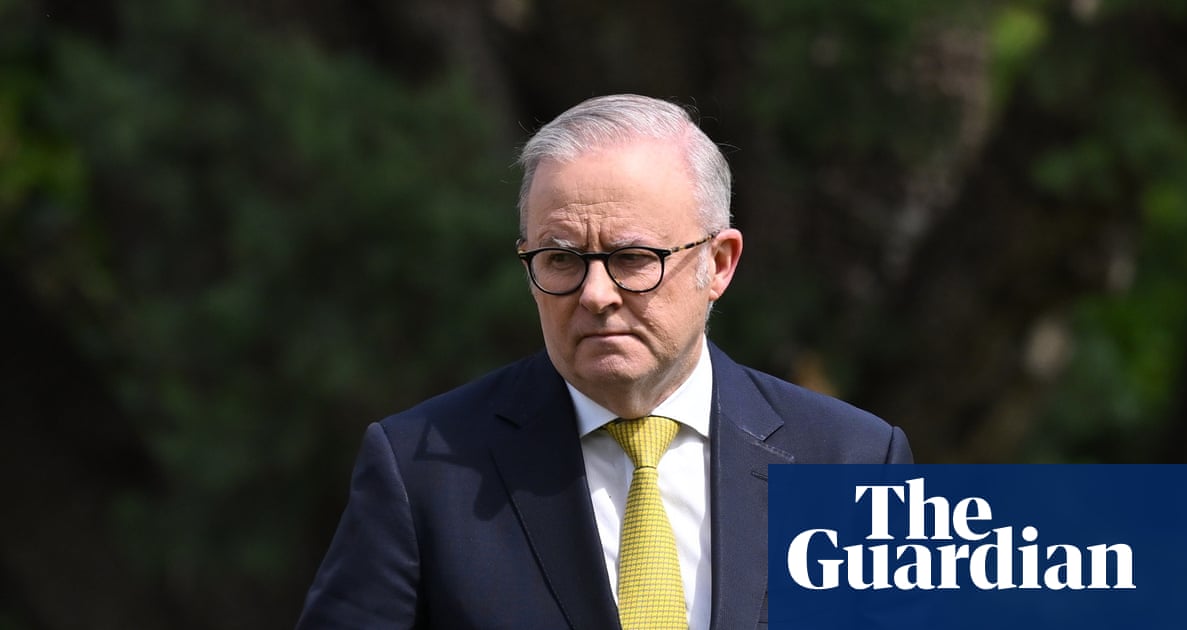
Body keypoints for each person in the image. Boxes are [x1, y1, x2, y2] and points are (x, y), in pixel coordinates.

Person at [296, 94, 912, 630]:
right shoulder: (422, 468)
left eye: (633, 258)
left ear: (719, 264)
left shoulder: (852, 459)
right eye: (561, 259)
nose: (595, 294)